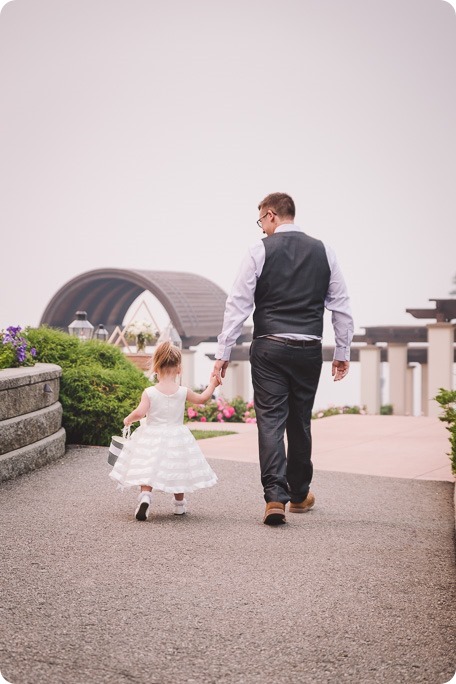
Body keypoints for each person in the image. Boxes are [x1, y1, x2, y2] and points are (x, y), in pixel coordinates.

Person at [212, 192, 353, 526]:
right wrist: (342, 352)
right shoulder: (325, 251)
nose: (261, 229)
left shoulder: (259, 250)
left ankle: (276, 497)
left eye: (261, 221)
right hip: (308, 349)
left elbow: (238, 305)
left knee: (272, 420)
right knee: (299, 420)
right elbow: (342, 306)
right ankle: (300, 493)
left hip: (269, 347)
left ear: (272, 215)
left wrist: (223, 353)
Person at [110, 341, 220, 521]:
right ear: (179, 369)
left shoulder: (150, 392)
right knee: (178, 467)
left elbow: (140, 412)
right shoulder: (183, 391)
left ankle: (145, 496)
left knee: (148, 466)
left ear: (156, 368)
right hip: (177, 435)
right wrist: (213, 384)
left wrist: (129, 419)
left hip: (152, 434)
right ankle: (179, 505)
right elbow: (202, 399)